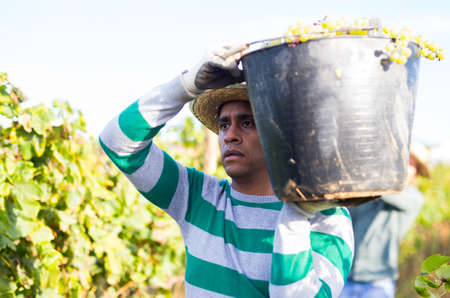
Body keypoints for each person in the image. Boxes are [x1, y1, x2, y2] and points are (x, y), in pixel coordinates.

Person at [99, 44, 354, 297]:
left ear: (281, 134)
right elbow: (117, 142)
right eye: (223, 125)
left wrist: (296, 213)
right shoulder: (197, 197)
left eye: (247, 123)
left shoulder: (325, 217)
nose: (230, 136)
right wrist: (184, 87)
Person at [340, 142, 428, 298]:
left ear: (417, 173)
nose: (406, 167)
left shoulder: (414, 197)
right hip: (346, 277)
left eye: (412, 164)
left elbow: (385, 192)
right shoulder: (367, 193)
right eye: (404, 160)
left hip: (378, 281)